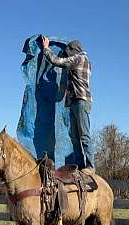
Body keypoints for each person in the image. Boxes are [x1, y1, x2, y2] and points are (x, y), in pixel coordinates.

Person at [41, 36, 94, 172]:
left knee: (83, 135)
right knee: (75, 137)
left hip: (80, 100)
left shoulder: (78, 59)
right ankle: (80, 165)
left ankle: (90, 166)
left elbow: (57, 61)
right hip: (76, 101)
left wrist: (46, 48)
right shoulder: (86, 61)